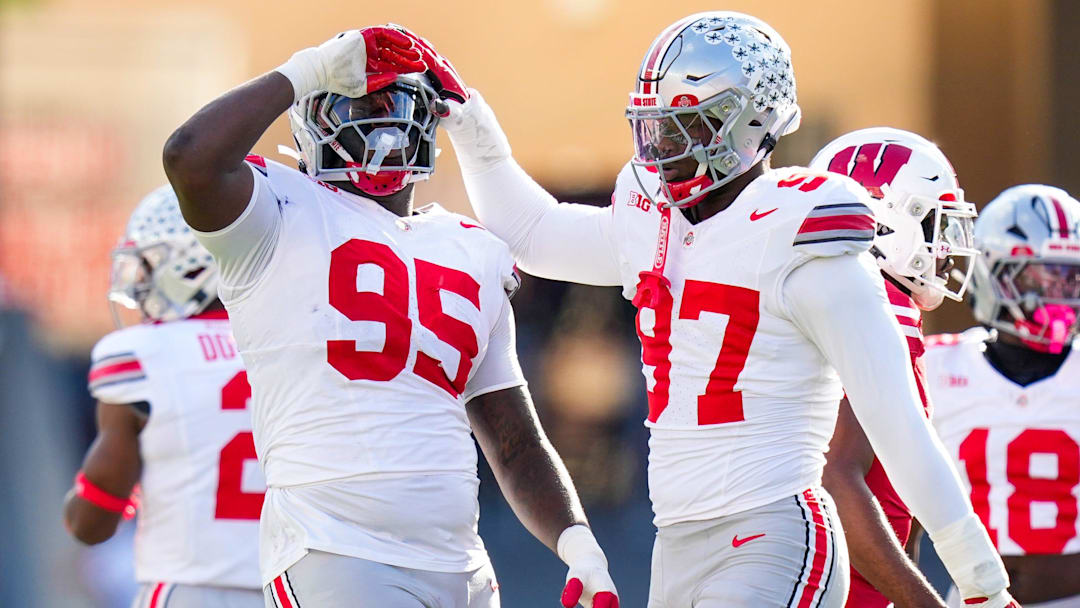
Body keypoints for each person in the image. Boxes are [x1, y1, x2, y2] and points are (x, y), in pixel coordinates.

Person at [427, 11, 1019, 608]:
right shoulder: (655, 223)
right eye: (656, 128)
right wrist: (471, 123)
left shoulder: (806, 235)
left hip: (776, 526)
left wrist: (981, 582)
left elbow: (902, 432)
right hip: (678, 537)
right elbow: (534, 232)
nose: (665, 149)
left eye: (689, 127)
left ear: (753, 119)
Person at [161, 26, 618, 608]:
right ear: (310, 122)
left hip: (462, 566)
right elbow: (190, 157)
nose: (377, 123)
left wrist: (578, 544)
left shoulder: (470, 248)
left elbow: (514, 442)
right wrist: (309, 68)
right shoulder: (273, 216)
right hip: (337, 549)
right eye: (352, 103)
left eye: (393, 104)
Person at [63, 186, 265, 607]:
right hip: (294, 588)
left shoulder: (144, 355)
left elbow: (94, 521)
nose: (141, 283)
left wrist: (77, 507)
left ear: (192, 265)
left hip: (186, 588)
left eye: (150, 265)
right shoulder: (296, 344)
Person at [809, 128, 979, 608]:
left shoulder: (854, 303)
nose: (945, 246)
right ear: (885, 227)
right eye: (932, 225)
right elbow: (836, 478)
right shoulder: (875, 310)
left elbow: (897, 500)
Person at [924, 184, 1080, 607]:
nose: (1060, 291)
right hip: (969, 598)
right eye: (1044, 273)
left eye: (1071, 276)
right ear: (994, 272)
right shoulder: (936, 366)